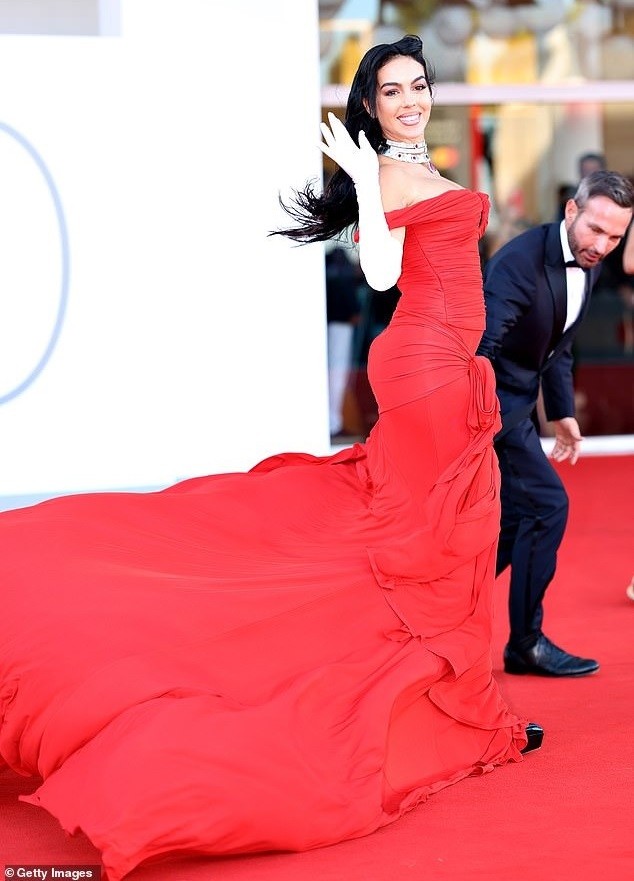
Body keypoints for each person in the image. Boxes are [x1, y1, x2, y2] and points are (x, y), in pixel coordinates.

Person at [0, 35, 535, 881]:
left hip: (434, 366)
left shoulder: (424, 170)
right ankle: (452, 707)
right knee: (430, 536)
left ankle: (460, 699)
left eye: (419, 85)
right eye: (392, 90)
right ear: (370, 106)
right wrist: (363, 184)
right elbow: (382, 269)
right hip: (428, 369)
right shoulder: (391, 177)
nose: (411, 99)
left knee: (434, 534)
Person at [477, 170, 634, 677]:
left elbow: (558, 347)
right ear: (571, 211)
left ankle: (443, 607)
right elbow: (479, 353)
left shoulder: (587, 262)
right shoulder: (518, 265)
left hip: (521, 406)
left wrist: (561, 412)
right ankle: (524, 642)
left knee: (514, 521)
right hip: (492, 410)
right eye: (595, 230)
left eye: (615, 236)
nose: (603, 245)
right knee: (547, 505)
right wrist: (484, 430)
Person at [325, 245, 361, 438]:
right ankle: (334, 422)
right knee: (337, 372)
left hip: (327, 323)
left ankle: (332, 421)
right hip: (341, 325)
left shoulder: (328, 262)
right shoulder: (343, 265)